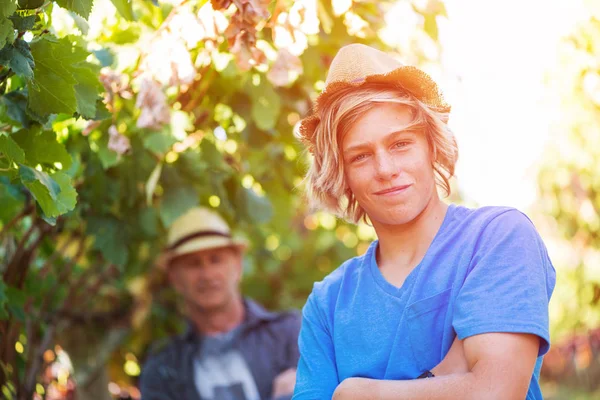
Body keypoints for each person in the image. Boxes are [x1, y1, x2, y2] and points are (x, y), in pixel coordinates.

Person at [292, 43, 556, 399]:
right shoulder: (327, 303)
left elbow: (494, 393)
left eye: (401, 144)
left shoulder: (497, 238)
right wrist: (448, 377)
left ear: (431, 144)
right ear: (341, 174)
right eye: (361, 156)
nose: (386, 170)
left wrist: (355, 393)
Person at [140, 207, 300, 400]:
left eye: (216, 260)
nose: (207, 275)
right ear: (174, 278)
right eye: (193, 264)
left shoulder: (291, 334)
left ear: (238, 266)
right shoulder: (163, 369)